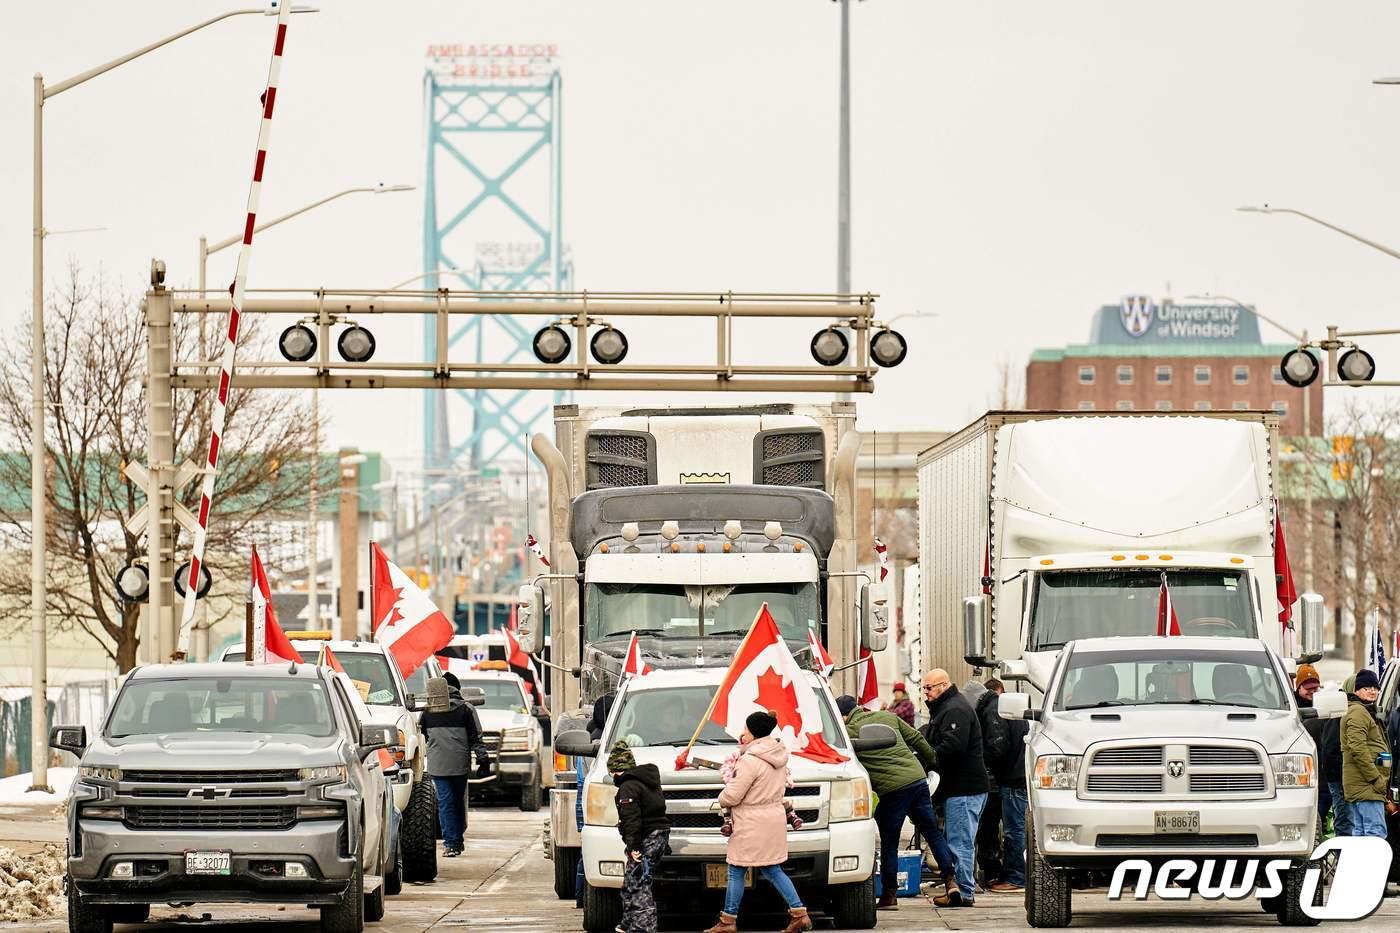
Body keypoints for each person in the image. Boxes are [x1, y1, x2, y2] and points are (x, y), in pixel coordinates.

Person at [704, 712, 812, 933]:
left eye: (744, 730)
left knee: (736, 870)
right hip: (773, 817)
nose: (741, 734)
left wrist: (721, 798)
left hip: (750, 821)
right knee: (772, 869)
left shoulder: (750, 760)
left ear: (753, 733)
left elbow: (733, 795)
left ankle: (728, 921)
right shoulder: (778, 755)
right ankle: (799, 913)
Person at [836, 694, 940, 911]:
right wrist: (932, 761)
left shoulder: (847, 734)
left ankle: (889, 896)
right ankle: (952, 882)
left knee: (889, 843)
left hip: (893, 791)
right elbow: (917, 739)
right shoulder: (888, 717)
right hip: (918, 779)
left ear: (844, 716)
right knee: (932, 832)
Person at [920, 668, 989, 908]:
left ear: (942, 685)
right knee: (960, 839)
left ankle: (964, 891)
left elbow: (953, 746)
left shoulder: (955, 709)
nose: (925, 693)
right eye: (924, 688)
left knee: (960, 841)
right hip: (962, 788)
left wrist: (927, 754)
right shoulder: (948, 708)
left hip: (964, 788)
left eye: (928, 688)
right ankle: (958, 889)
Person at [607, 742, 670, 933]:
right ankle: (628, 922)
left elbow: (631, 819)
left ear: (616, 769)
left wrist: (633, 846)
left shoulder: (628, 787)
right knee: (631, 878)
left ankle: (643, 927)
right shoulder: (648, 782)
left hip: (646, 838)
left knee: (639, 880)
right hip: (659, 835)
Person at [419, 675, 484, 857]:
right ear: (457, 689)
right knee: (455, 801)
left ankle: (452, 843)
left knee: (446, 803)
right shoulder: (466, 710)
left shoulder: (427, 711)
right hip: (460, 765)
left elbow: (422, 735)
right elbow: (476, 737)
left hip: (438, 765)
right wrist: (483, 759)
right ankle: (453, 841)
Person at [982, 679, 1029, 893]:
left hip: (1012, 779)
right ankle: (1017, 874)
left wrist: (986, 763)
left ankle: (1016, 877)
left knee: (1014, 830)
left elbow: (998, 747)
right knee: (1016, 829)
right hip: (1020, 775)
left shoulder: (997, 710)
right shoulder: (1015, 712)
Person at [575, 693, 616, 907]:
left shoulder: (589, 731)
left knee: (585, 851)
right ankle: (581, 897)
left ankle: (580, 897)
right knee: (588, 853)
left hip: (584, 798)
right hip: (592, 799)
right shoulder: (601, 737)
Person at [1341, 668, 1392, 838]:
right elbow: (1357, 748)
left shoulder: (1361, 710)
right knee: (1375, 833)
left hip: (1361, 785)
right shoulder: (1358, 712)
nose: (1372, 691)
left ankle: (1360, 865)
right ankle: (1373, 865)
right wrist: (1376, 779)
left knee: (1361, 833)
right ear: (1356, 690)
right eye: (1367, 687)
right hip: (1366, 785)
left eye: (1375, 688)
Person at [973, 678, 1009, 890]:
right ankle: (996, 872)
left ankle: (991, 871)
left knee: (988, 829)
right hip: (997, 779)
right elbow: (998, 746)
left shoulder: (984, 710)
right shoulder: (995, 708)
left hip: (991, 779)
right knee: (1000, 828)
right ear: (999, 691)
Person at [1294, 664, 1330, 826]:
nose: (1312, 692)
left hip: (1322, 775)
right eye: (1307, 688)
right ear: (1298, 688)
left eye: (1315, 688)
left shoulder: (1324, 706)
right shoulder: (1291, 708)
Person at [1321, 674, 1356, 836]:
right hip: (1339, 776)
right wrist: (1342, 776)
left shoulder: (1359, 711)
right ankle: (1344, 854)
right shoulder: (1340, 713)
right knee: (1345, 818)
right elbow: (1330, 748)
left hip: (1349, 777)